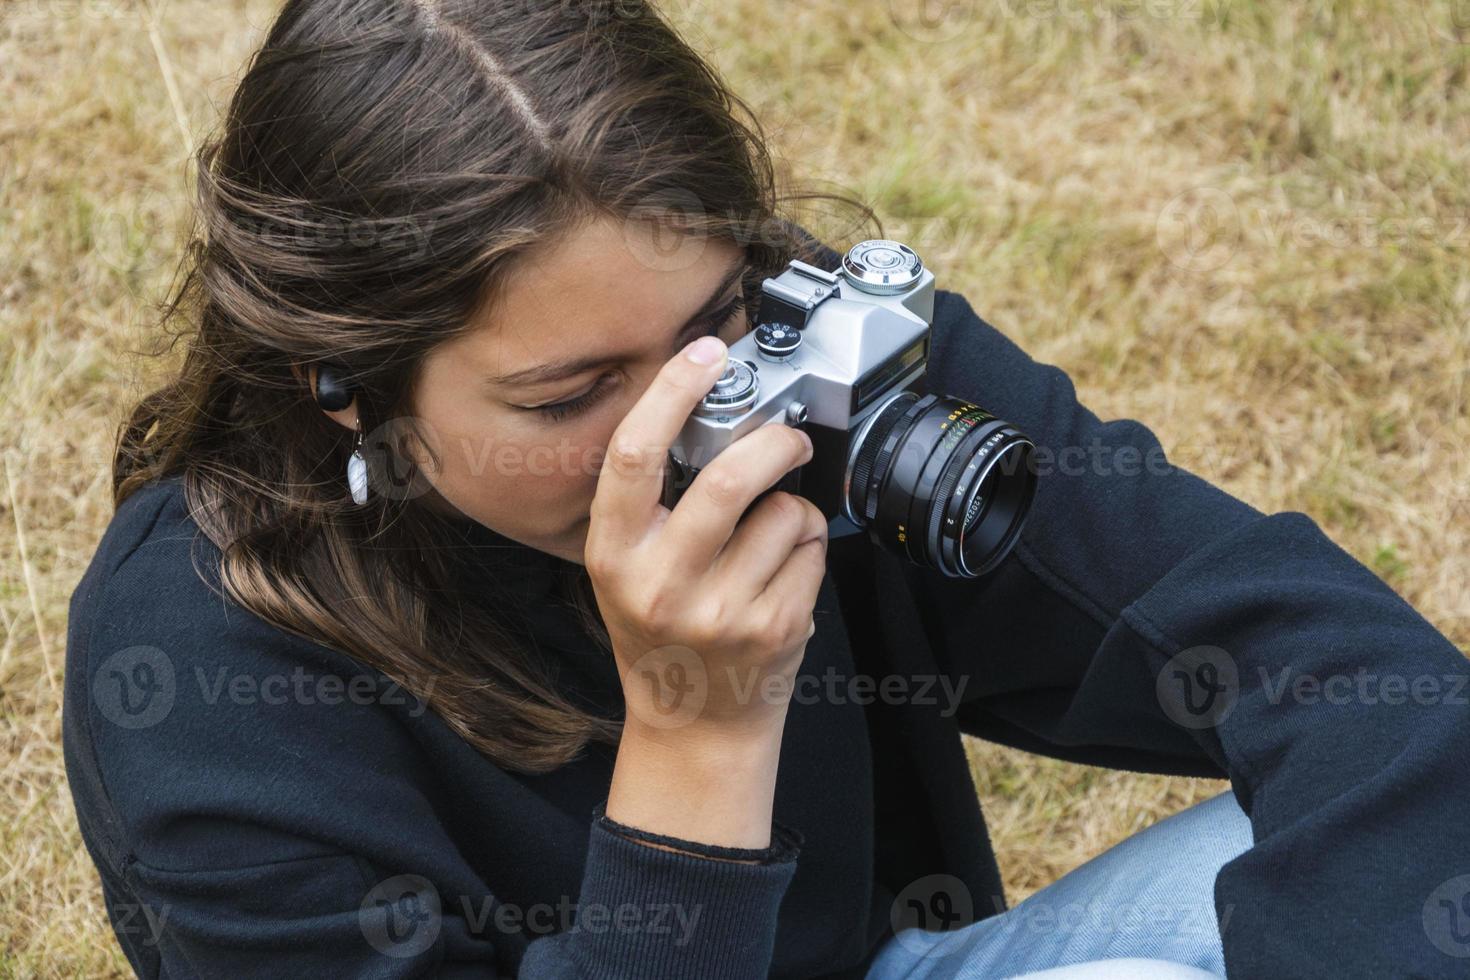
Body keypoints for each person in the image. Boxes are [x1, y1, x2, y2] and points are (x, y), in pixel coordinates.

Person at [62, 1, 1469, 977]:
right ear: (342, 382)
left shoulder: (824, 373)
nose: (691, 427)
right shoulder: (203, 675)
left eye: (713, 327)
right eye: (570, 394)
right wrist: (694, 743)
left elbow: (1329, 671)